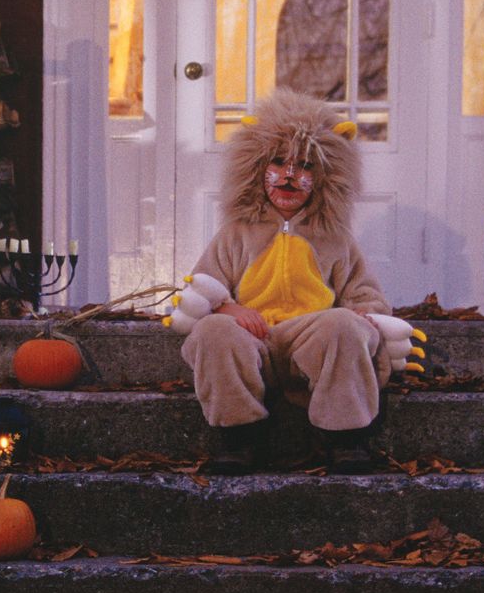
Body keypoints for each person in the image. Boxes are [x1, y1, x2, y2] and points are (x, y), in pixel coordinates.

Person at [171, 89, 398, 477]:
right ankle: (241, 436)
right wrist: (229, 308)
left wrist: (364, 314)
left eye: (305, 166)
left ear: (325, 178)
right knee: (212, 331)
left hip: (309, 344)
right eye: (278, 162)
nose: (290, 175)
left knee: (345, 324)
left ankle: (345, 438)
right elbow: (201, 288)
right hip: (252, 343)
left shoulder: (335, 238)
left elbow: (367, 294)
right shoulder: (236, 232)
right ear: (256, 167)